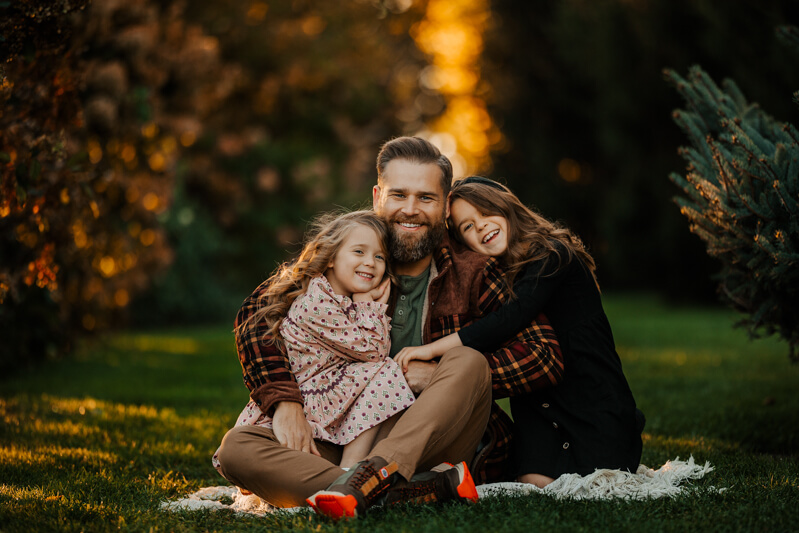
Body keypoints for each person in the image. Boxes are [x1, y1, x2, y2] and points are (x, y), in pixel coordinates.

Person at [214, 137, 563, 517]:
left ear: (445, 206)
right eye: (399, 195)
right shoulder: (353, 254)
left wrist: (435, 377)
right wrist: (283, 401)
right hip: (344, 434)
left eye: (426, 198)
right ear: (378, 196)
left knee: (468, 360)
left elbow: (544, 356)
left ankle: (365, 481)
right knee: (236, 449)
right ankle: (406, 489)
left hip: (435, 437)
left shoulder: (473, 271)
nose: (410, 210)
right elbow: (257, 314)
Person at [396, 176, 645, 488]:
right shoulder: (500, 273)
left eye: (486, 213)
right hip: (539, 399)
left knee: (595, 474)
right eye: (467, 227)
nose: (482, 227)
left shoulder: (552, 255)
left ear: (507, 207)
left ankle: (620, 440)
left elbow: (509, 319)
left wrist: (432, 351)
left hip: (589, 393)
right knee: (531, 478)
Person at [212, 210, 416, 474]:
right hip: (307, 401)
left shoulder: (337, 298)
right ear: (330, 258)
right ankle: (349, 471)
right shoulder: (316, 301)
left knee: (382, 373)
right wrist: (368, 306)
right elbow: (374, 351)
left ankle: (350, 470)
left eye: (379, 257)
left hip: (326, 392)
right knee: (386, 371)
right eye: (359, 252)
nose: (371, 263)